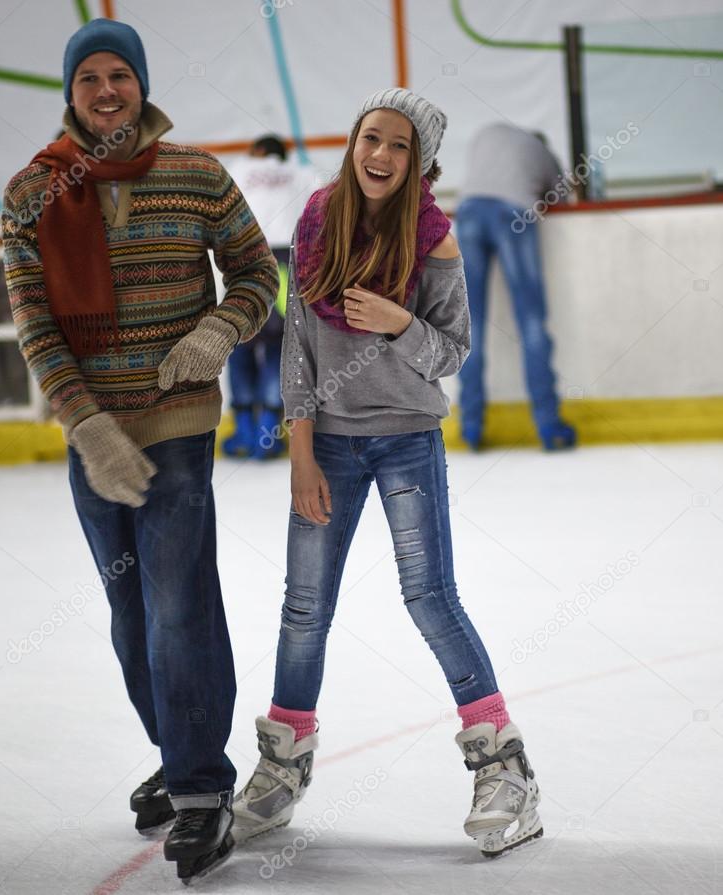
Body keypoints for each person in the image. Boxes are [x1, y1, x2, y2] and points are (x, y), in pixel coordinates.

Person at [231, 89, 543, 859]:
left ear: (419, 162)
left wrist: (401, 324)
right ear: (353, 143)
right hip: (328, 443)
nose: (380, 154)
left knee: (429, 597)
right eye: (371, 137)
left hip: (405, 437)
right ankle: (283, 762)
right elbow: (297, 350)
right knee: (303, 608)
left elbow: (454, 352)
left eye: (398, 145)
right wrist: (300, 452)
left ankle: (505, 768)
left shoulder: (434, 241)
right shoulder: (315, 222)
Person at [0, 19, 277, 883]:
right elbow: (34, 320)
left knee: (178, 608)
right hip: (95, 441)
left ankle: (200, 788)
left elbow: (260, 274)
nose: (107, 90)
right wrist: (84, 424)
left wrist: (215, 334)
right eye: (90, 78)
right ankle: (179, 745)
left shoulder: (196, 173)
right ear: (70, 93)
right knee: (132, 620)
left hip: (177, 432)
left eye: (121, 74)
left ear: (142, 84)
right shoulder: (31, 192)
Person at [456, 122, 576, 451]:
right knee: (531, 320)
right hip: (513, 215)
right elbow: (563, 199)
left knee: (471, 326)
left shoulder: (488, 131)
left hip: (467, 213)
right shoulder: (546, 155)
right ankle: (550, 428)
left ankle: (470, 428)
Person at [223, 135, 318, 459]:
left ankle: (244, 430)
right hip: (287, 264)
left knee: (240, 344)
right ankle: (268, 433)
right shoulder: (302, 172)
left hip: (246, 261)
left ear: (258, 151)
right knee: (279, 347)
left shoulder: (240, 168)